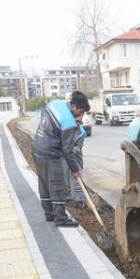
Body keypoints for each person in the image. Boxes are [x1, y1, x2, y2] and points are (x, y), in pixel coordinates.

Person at [32, 91, 90, 226]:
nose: (81, 115)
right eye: (80, 112)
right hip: (50, 153)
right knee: (58, 185)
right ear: (74, 106)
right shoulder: (69, 123)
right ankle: (61, 218)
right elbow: (68, 150)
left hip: (36, 148)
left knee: (44, 184)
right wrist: (75, 169)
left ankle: (49, 214)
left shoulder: (55, 103)